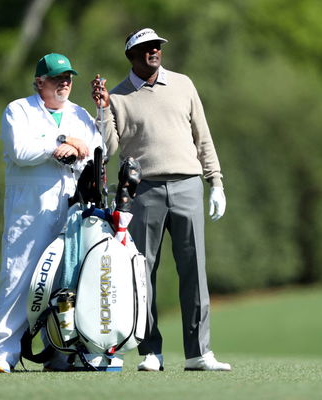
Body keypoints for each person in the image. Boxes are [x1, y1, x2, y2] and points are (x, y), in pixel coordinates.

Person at [91, 28, 230, 371]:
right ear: (132, 56)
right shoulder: (119, 96)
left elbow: (203, 137)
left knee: (193, 271)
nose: (154, 51)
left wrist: (217, 182)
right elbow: (107, 149)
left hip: (187, 185)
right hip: (145, 191)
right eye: (146, 48)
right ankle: (150, 351)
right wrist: (102, 110)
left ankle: (199, 353)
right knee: (142, 274)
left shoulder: (183, 84)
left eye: (157, 47)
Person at [0, 53, 102, 373]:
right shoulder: (18, 109)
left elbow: (94, 155)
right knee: (19, 278)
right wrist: (60, 142)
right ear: (40, 82)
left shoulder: (80, 113)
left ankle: (61, 353)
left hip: (69, 205)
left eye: (68, 78)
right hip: (30, 209)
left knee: (66, 283)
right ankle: (4, 354)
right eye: (57, 78)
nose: (65, 83)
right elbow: (20, 151)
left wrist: (79, 146)